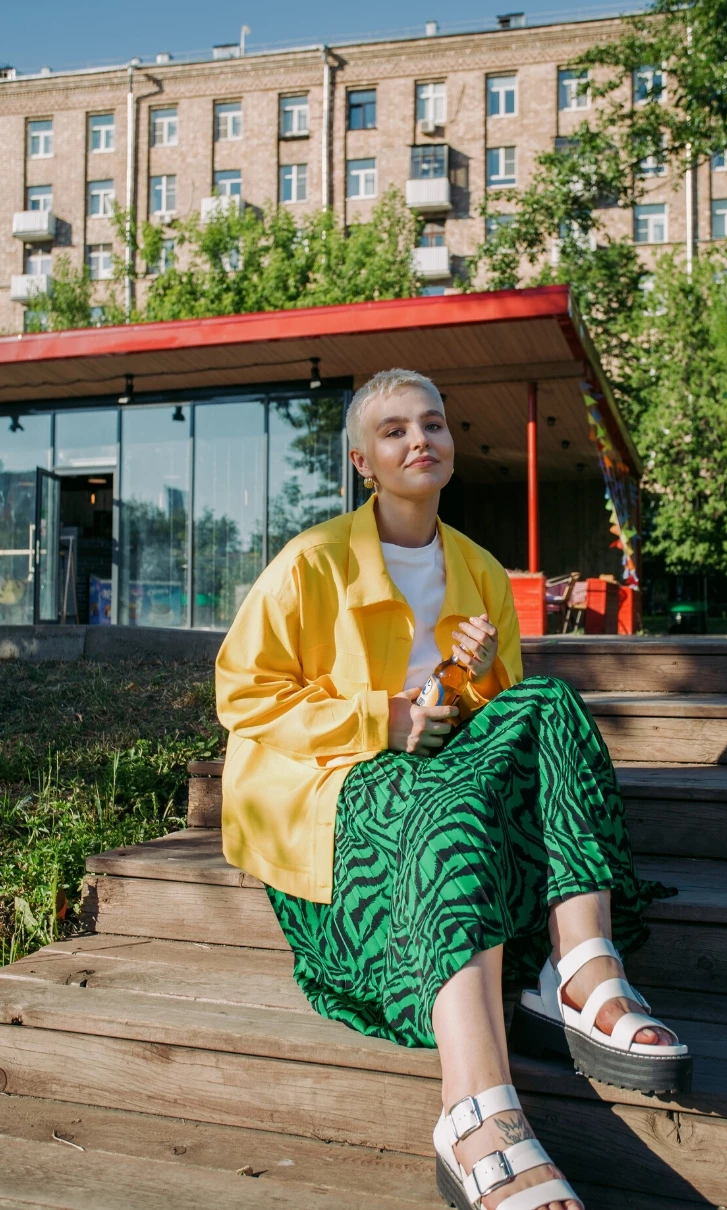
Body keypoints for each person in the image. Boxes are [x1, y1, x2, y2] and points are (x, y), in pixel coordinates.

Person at [216, 369, 691, 1210]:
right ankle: (474, 1112)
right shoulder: (310, 562)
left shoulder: (477, 569)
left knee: (546, 702)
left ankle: (580, 973)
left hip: (437, 772)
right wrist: (382, 717)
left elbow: (490, 721)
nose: (418, 440)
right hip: (333, 794)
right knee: (440, 806)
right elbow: (243, 694)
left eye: (431, 424)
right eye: (394, 430)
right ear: (363, 462)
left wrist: (474, 679)